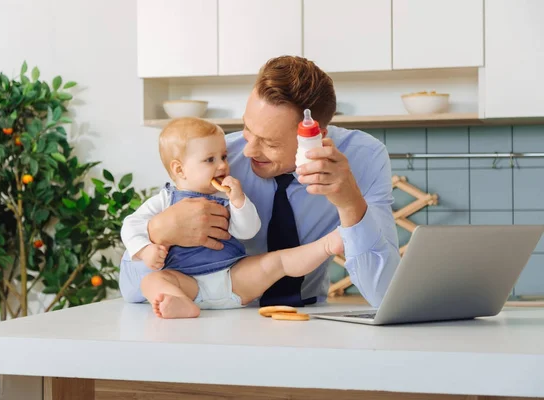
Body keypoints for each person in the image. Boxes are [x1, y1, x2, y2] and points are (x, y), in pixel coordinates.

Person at [119, 55, 400, 308]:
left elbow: (385, 295)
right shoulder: (212, 161)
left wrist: (350, 203)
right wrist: (158, 231)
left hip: (310, 322)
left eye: (270, 143)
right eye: (247, 128)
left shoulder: (362, 158)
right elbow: (132, 290)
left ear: (314, 137)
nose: (249, 150)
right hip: (215, 316)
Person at [121, 117, 343, 318]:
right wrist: (145, 249)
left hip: (233, 277)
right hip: (187, 283)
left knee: (278, 260)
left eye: (224, 157)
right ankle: (179, 303)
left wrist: (239, 202)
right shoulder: (164, 200)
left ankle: (327, 245)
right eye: (210, 160)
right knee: (152, 281)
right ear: (180, 170)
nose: (222, 165)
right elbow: (131, 226)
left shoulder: (226, 196)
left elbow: (247, 231)